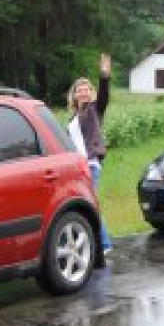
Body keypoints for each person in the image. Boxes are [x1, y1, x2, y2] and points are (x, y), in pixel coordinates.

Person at [67, 54, 113, 252]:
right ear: (75, 94)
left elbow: (104, 96)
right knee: (85, 204)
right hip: (78, 167)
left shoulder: (94, 110)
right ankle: (95, 243)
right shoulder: (72, 118)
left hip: (91, 164)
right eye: (80, 90)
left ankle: (104, 244)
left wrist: (104, 75)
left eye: (87, 90)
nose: (84, 92)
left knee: (90, 203)